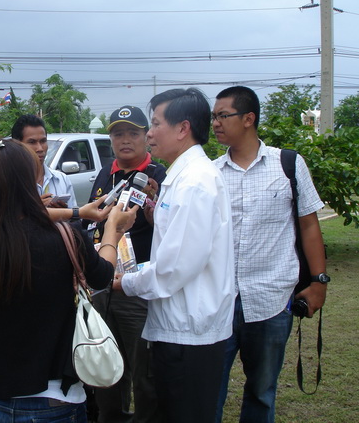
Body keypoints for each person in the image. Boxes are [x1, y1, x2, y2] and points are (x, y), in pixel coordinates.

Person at [0, 139, 138, 422]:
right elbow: (103, 275)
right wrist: (112, 229)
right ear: (29, 184)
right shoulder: (67, 238)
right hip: (59, 398)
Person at [114, 88, 235, 423]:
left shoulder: (194, 182)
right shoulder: (182, 177)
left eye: (155, 124)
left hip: (189, 334)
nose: (149, 134)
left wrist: (125, 282)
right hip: (179, 327)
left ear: (183, 128)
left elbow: (174, 268)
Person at [212, 86, 328, 423]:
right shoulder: (212, 173)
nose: (215, 123)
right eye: (214, 117)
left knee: (262, 392)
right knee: (210, 390)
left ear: (248, 119)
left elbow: (309, 225)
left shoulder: (287, 164)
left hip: (272, 299)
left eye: (223, 116)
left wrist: (318, 282)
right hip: (219, 301)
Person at [88, 105, 166, 423]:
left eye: (133, 133)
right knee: (106, 364)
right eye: (118, 133)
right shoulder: (105, 174)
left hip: (138, 289)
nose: (125, 140)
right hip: (104, 283)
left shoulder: (158, 176)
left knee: (143, 369)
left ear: (146, 136)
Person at [11, 114, 77, 208]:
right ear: (17, 145)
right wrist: (37, 209)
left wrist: (64, 212)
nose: (40, 148)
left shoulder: (61, 180)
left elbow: (75, 215)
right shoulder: (9, 182)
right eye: (32, 142)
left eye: (43, 141)